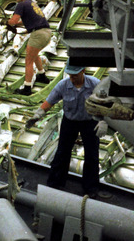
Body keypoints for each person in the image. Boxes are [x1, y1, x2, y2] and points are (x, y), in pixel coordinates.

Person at [25, 63, 109, 198]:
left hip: (89, 121)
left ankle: (90, 188)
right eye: (70, 75)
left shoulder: (95, 84)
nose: (72, 78)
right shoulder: (63, 85)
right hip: (70, 121)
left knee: (92, 155)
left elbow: (107, 104)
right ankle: (55, 183)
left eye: (75, 75)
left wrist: (103, 121)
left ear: (83, 71)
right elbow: (49, 102)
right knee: (62, 152)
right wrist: (37, 115)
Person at [7, 0, 51, 95]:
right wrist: (16, 25)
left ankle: (27, 88)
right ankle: (42, 76)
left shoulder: (21, 5)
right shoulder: (32, 4)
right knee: (34, 55)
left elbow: (13, 21)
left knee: (28, 61)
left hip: (38, 34)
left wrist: (8, 22)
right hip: (47, 33)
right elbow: (27, 21)